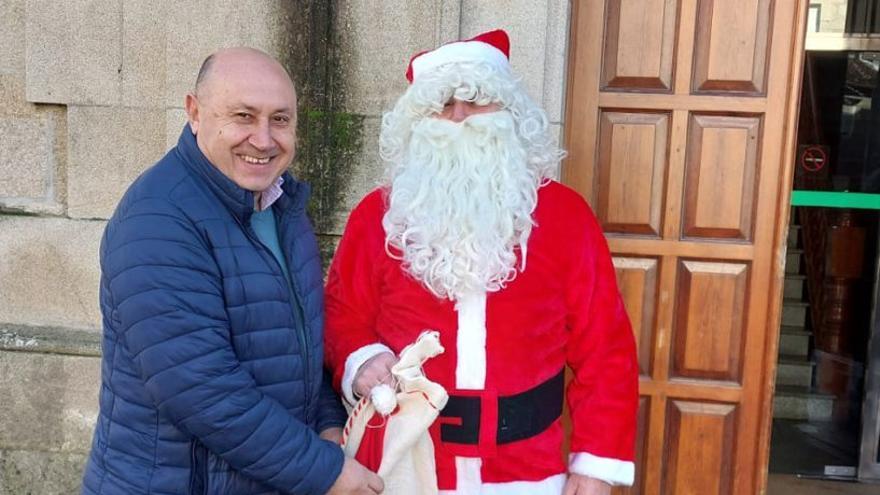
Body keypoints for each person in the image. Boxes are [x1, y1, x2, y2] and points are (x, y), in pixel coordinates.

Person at [324, 30, 639, 495]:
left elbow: (605, 349)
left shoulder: (565, 216)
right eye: (442, 105)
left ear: (509, 114)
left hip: (528, 475)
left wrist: (595, 465)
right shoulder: (378, 216)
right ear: (417, 122)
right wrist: (361, 358)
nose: (458, 117)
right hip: (404, 468)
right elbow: (341, 314)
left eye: (475, 101)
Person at [81, 47, 383, 495]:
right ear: (194, 112)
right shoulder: (157, 221)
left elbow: (300, 345)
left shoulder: (281, 207)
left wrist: (328, 423)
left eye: (280, 119)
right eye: (243, 116)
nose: (263, 139)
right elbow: (202, 389)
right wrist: (325, 471)